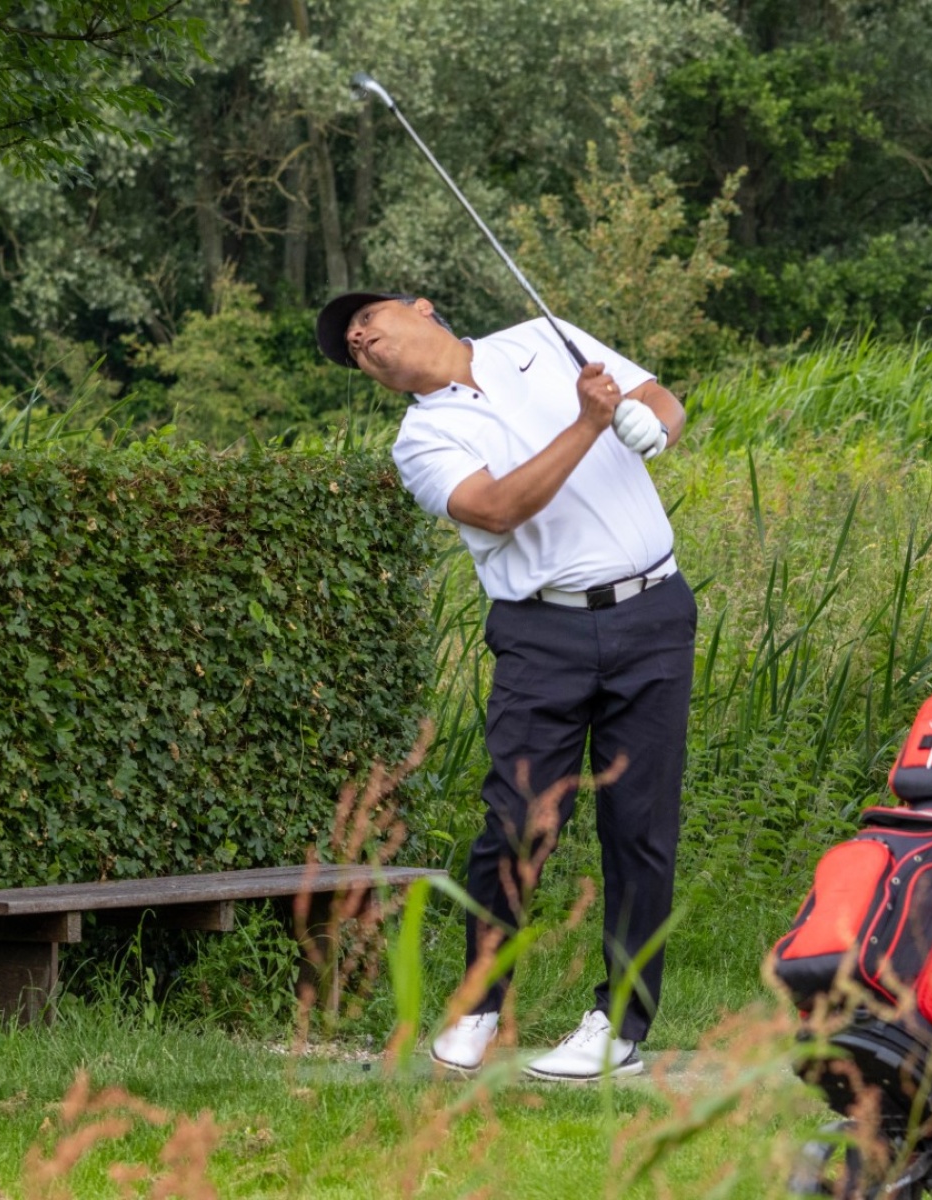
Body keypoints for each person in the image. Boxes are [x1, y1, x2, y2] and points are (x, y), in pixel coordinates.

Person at [315, 292, 696, 1081]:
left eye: (366, 320)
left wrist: (653, 426)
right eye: (352, 348)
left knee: (640, 829)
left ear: (422, 307)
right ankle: (480, 1008)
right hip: (541, 632)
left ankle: (619, 1027)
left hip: (652, 611)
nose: (361, 340)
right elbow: (494, 510)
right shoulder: (421, 438)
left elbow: (658, 397)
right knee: (518, 823)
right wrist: (588, 425)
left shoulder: (538, 338)